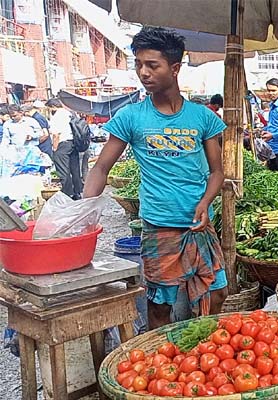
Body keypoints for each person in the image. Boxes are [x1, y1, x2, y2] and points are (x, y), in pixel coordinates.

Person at [83, 27, 228, 330]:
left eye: (152, 65)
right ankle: (162, 357)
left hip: (199, 224)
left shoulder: (203, 117)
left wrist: (205, 203)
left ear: (175, 69)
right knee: (160, 304)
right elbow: (100, 168)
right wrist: (85, 210)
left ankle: (204, 353)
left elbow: (217, 172)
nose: (143, 72)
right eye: (138, 64)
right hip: (159, 225)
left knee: (217, 294)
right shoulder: (131, 117)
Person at [46, 98, 83, 199]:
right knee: (75, 170)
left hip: (63, 144)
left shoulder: (57, 115)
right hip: (74, 143)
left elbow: (56, 134)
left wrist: (54, 148)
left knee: (63, 170)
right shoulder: (70, 113)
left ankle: (67, 193)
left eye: (49, 108)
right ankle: (78, 192)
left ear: (53, 106)